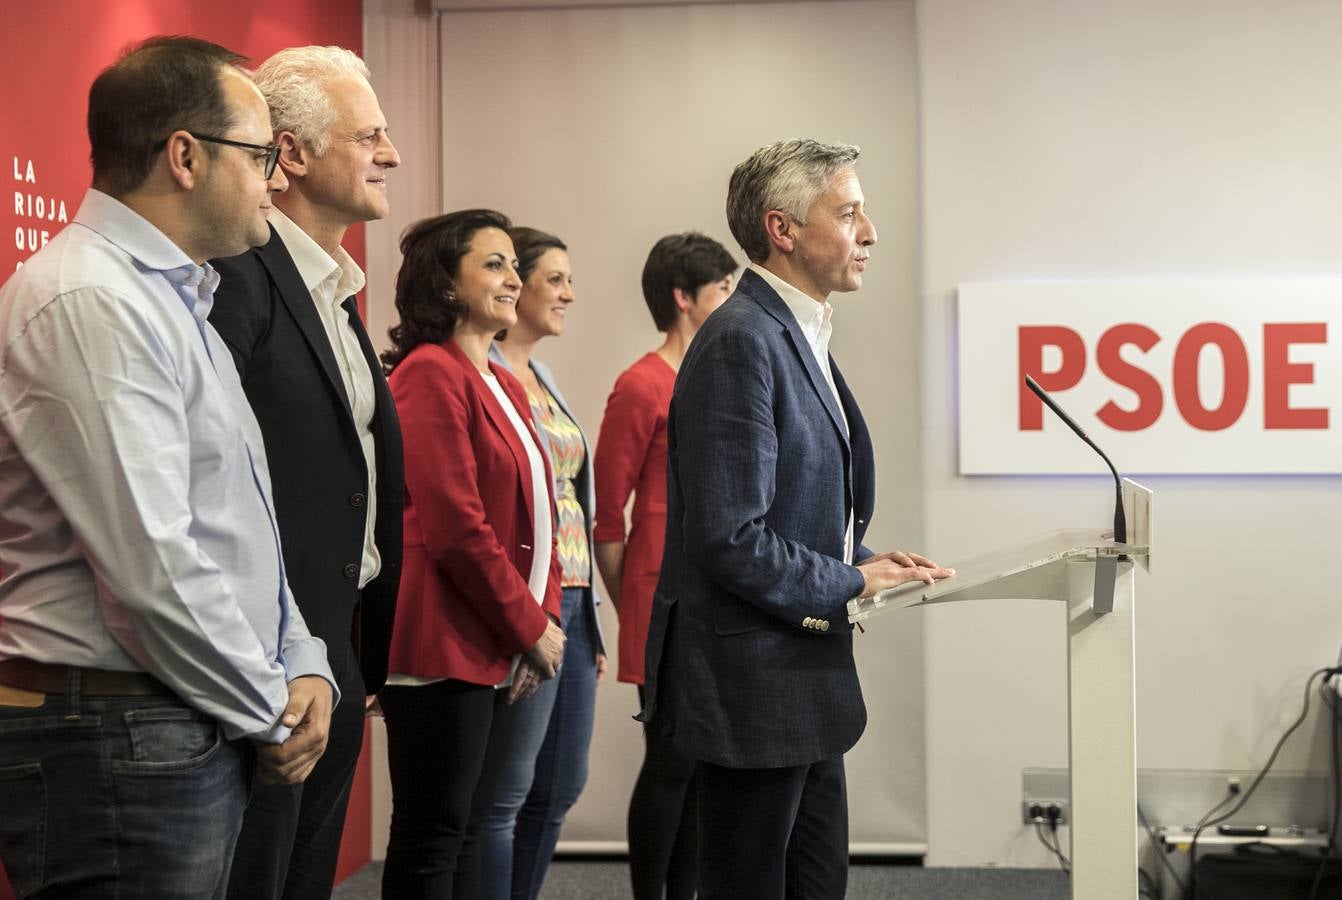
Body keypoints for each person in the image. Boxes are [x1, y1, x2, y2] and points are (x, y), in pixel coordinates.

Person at [0, 36, 336, 898]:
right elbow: (153, 565)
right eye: (261, 155)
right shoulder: (92, 300)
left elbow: (242, 524)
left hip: (174, 716)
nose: (275, 177)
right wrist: (272, 707)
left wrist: (304, 660)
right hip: (119, 729)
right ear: (184, 155)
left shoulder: (173, 298)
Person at [639, 139, 955, 899]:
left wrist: (869, 559)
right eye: (848, 214)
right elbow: (728, 534)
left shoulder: (794, 333)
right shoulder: (743, 340)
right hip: (753, 687)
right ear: (783, 229)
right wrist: (849, 577)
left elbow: (793, 511)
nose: (870, 233)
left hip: (798, 679)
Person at [207, 45, 403, 900]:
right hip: (268, 661)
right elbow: (211, 483)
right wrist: (280, 654)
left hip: (333, 649)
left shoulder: (336, 291)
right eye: (370, 136)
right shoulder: (239, 279)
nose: (391, 154)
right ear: (290, 154)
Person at [380, 210, 567, 899]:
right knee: (436, 835)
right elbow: (458, 527)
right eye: (494, 263)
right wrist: (530, 627)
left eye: (515, 263)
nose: (513, 277)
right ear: (446, 284)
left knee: (464, 834)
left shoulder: (501, 377)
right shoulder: (428, 374)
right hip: (443, 638)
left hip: (491, 634)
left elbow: (543, 515)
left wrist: (536, 622)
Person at [592, 232, 737, 900]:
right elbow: (606, 517)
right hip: (659, 602)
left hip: (714, 600)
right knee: (672, 761)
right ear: (683, 298)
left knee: (705, 764)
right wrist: (635, 613)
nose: (734, 302)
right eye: (722, 291)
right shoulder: (641, 384)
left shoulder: (718, 381)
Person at [481, 227, 608, 900]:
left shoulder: (545, 378)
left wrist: (590, 624)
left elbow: (571, 501)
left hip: (577, 603)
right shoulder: (482, 371)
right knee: (505, 794)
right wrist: (526, 618)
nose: (568, 293)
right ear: (517, 285)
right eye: (554, 279)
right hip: (529, 606)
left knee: (558, 787)